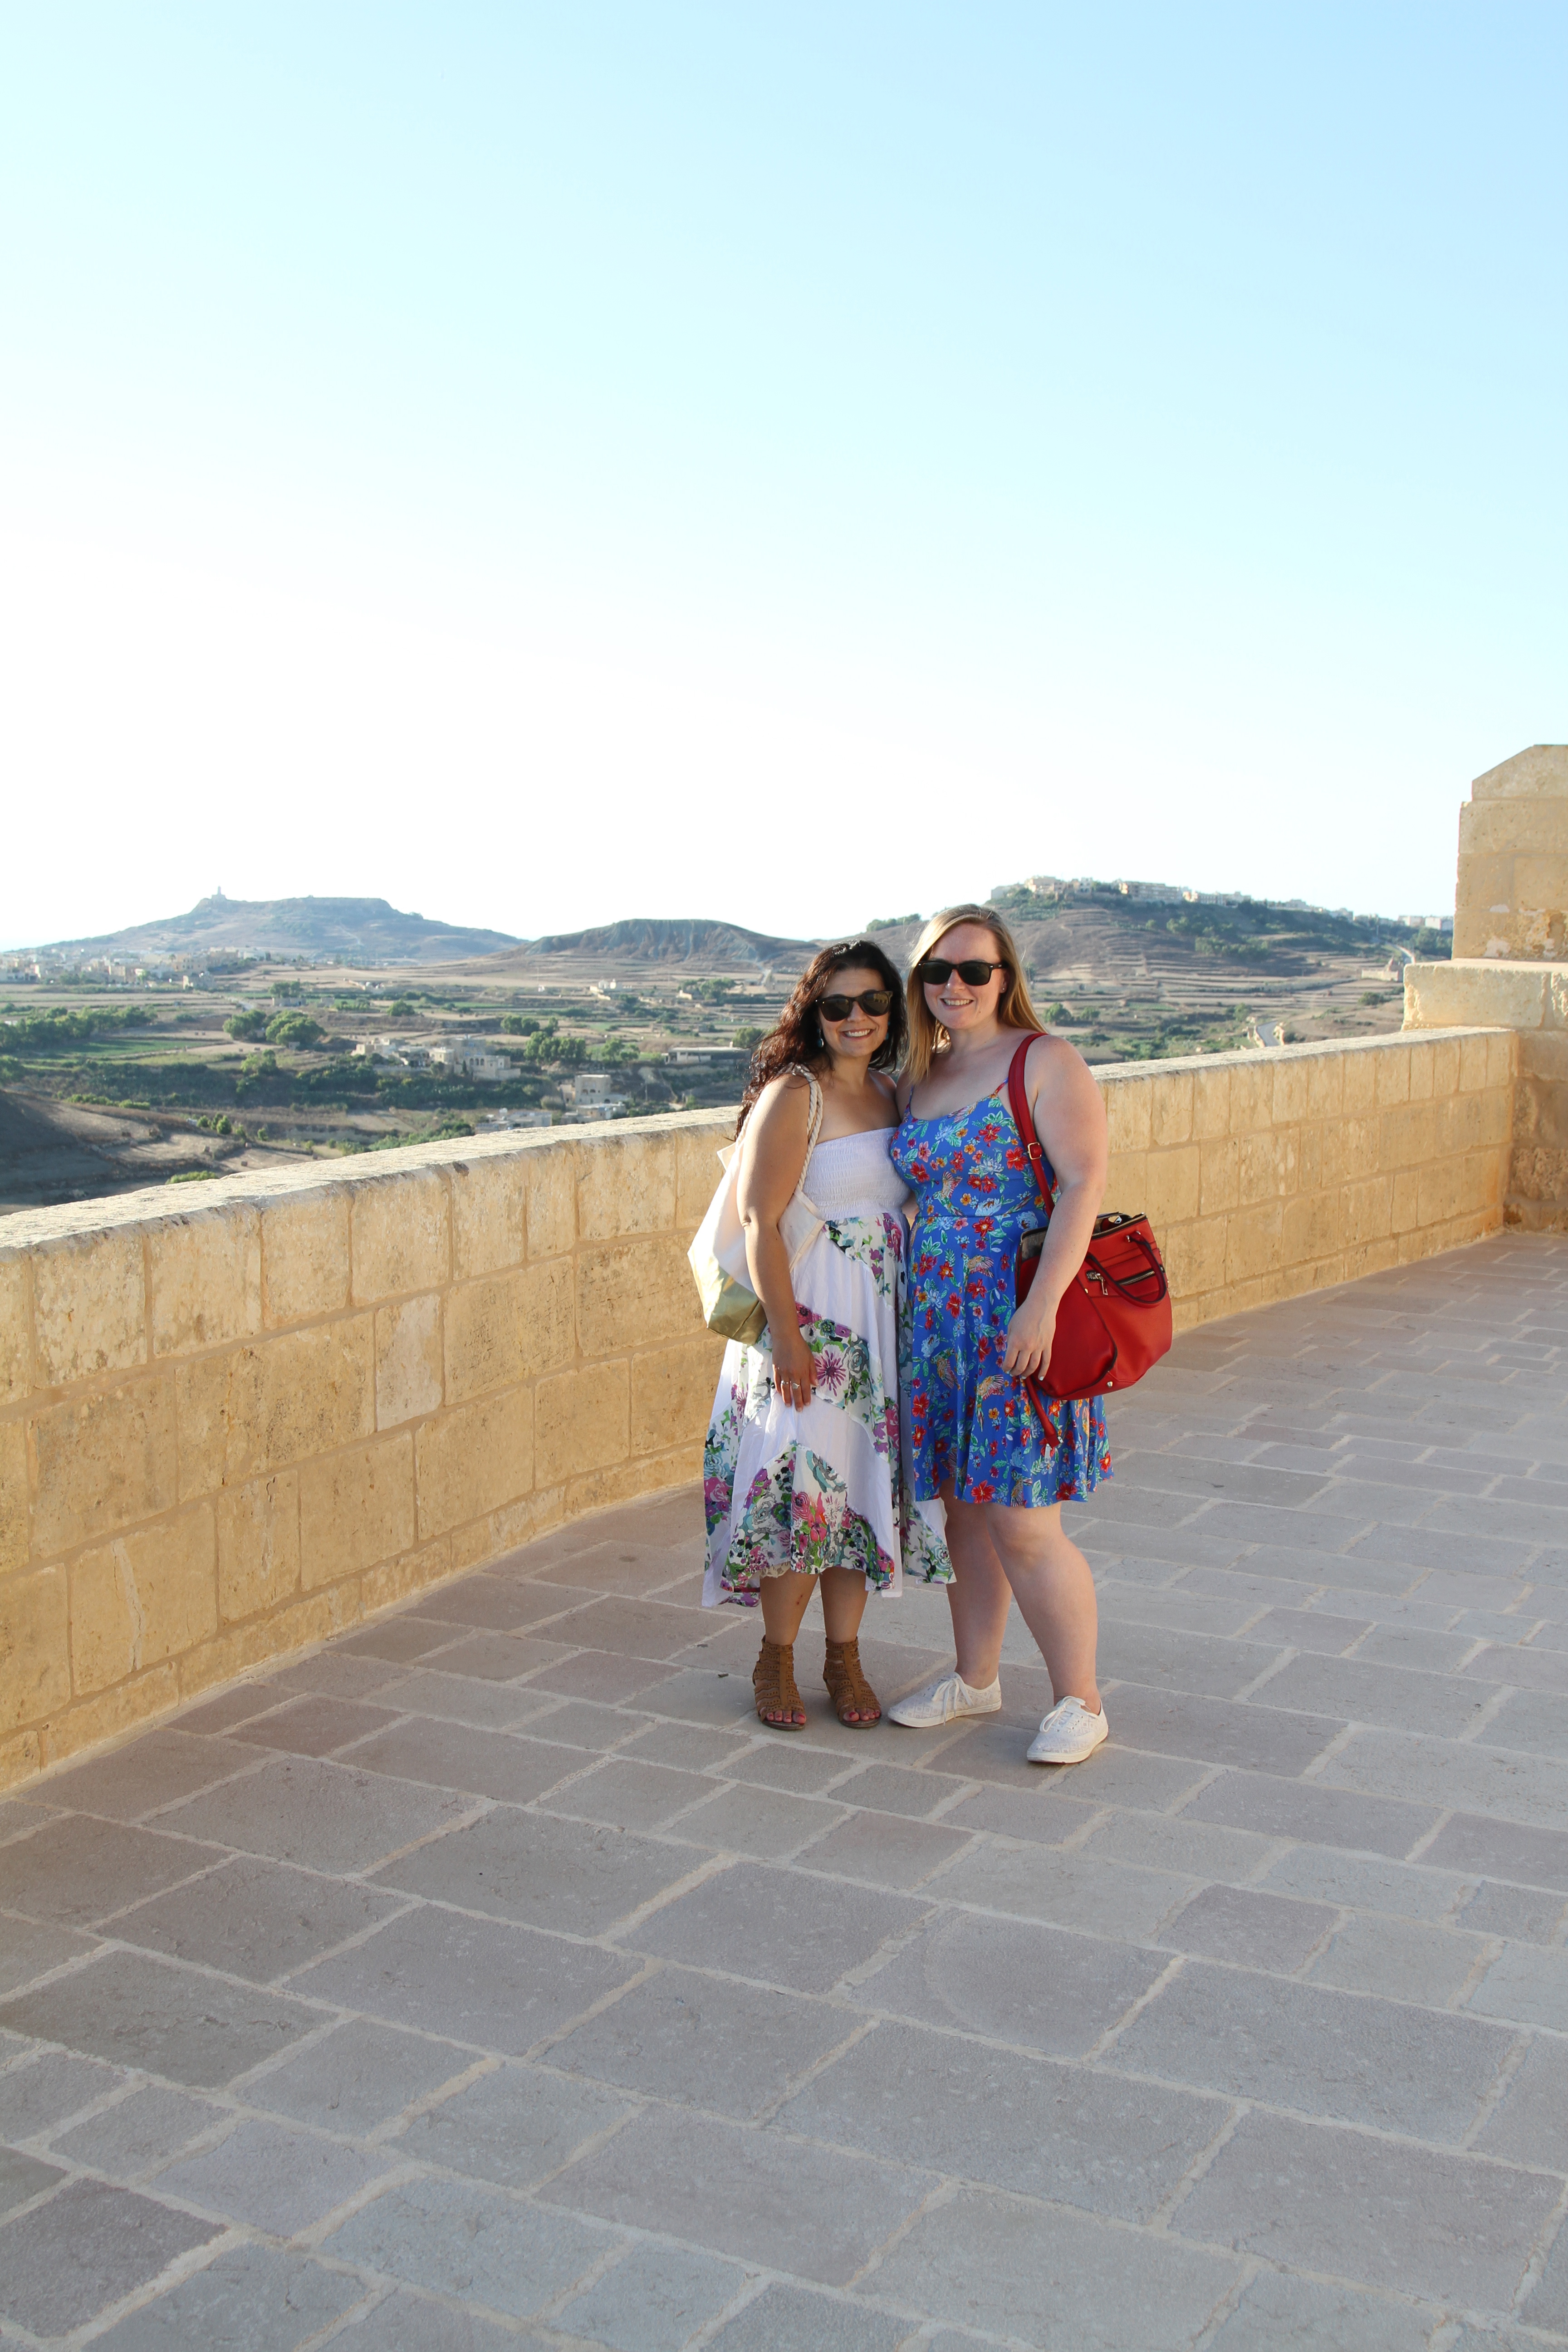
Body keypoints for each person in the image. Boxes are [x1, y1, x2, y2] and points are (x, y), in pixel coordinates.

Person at [702, 941, 950, 1730]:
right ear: (815, 1014)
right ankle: (775, 1658)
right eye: (838, 1004)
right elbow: (759, 1220)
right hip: (808, 1325)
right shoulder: (794, 1094)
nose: (857, 1018)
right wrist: (788, 1340)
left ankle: (844, 1659)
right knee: (799, 1491)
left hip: (879, 1328)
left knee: (857, 1494)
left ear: (892, 1011)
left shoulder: (890, 1092)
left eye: (873, 1002)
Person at [888, 904, 1113, 1765]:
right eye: (937, 972)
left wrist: (1042, 1306)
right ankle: (975, 1678)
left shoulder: (1044, 1061)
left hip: (1015, 1318)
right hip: (937, 1325)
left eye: (974, 970)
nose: (956, 985)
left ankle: (1082, 1701)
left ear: (1006, 977)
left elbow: (1083, 1182)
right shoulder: (921, 1075)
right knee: (967, 1517)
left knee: (1024, 1522)